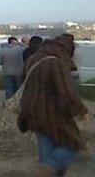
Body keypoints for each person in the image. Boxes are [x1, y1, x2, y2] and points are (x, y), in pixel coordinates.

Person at [18, 36, 90, 176]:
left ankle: (46, 168)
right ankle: (49, 166)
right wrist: (82, 110)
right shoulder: (57, 63)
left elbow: (23, 81)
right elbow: (67, 91)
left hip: (31, 109)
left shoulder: (33, 58)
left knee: (46, 146)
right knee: (73, 146)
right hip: (51, 111)